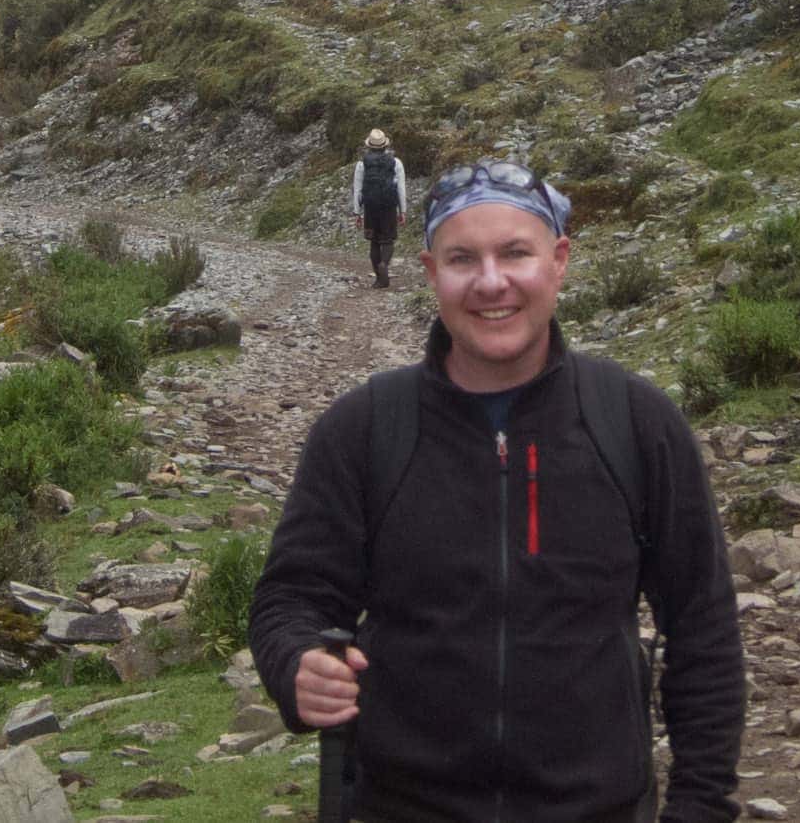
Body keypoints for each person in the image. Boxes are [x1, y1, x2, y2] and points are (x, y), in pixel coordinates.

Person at [250, 160, 744, 823]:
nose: (490, 282)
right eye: (462, 258)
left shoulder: (634, 422)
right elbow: (293, 594)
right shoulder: (364, 429)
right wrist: (296, 662)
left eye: (516, 252)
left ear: (559, 260)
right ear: (431, 272)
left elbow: (702, 626)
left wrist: (699, 807)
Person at [351, 129, 409, 289]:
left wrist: (357, 212)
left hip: (370, 207)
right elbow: (401, 188)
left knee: (374, 243)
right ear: (385, 145)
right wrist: (402, 211)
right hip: (389, 206)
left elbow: (357, 189)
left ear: (369, 146)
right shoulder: (396, 163)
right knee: (388, 240)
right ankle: (384, 264)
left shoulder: (362, 164)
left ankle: (379, 278)